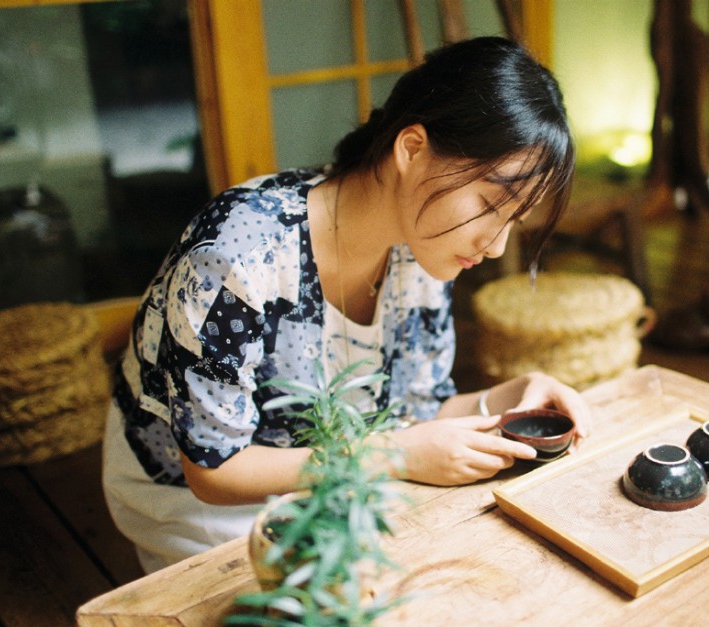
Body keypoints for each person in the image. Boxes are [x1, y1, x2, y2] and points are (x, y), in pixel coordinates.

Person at [103, 36, 593, 574]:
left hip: (338, 474)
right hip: (195, 501)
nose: (496, 245)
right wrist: (395, 455)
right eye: (489, 205)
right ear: (412, 150)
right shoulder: (241, 252)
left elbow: (414, 414)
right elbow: (213, 471)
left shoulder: (425, 248)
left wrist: (512, 397)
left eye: (514, 220)